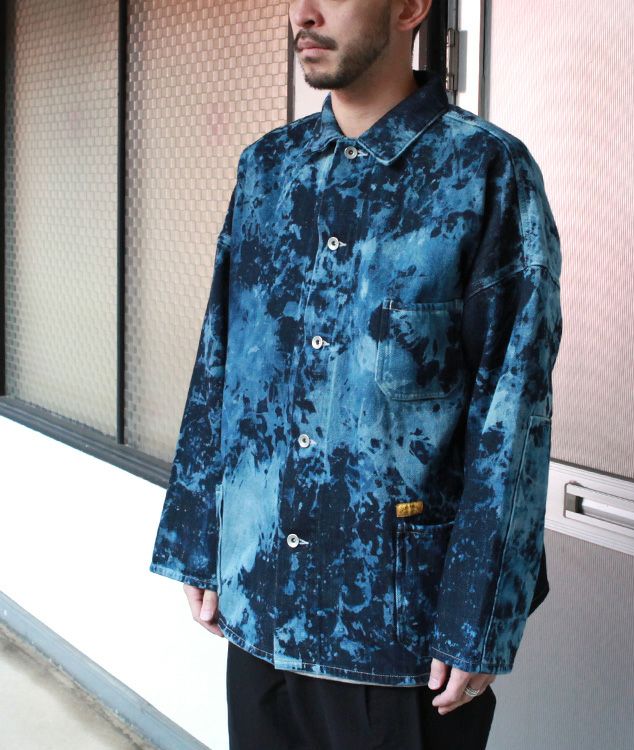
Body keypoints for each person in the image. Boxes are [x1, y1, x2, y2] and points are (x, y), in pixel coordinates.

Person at [148, 0, 563, 748]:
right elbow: (220, 361)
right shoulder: (267, 170)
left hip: (398, 636)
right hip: (261, 606)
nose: (302, 13)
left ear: (409, 7)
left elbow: (514, 413)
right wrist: (197, 537)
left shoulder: (485, 173)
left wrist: (480, 617)